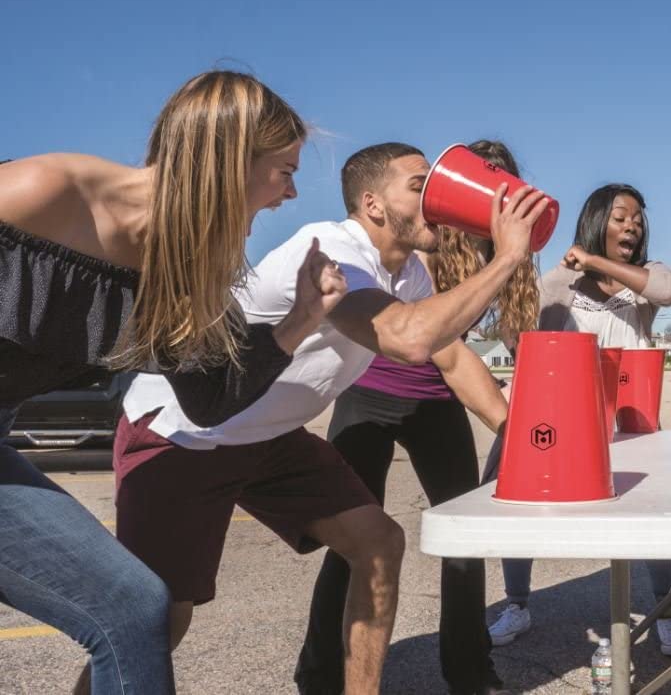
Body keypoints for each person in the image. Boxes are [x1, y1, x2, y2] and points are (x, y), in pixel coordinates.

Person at [112, 142, 548, 694]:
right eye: (420, 186)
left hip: (268, 437)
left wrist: (518, 432)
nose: (435, 198)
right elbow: (405, 337)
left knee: (378, 544)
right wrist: (508, 256)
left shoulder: (409, 273)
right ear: (372, 203)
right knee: (155, 621)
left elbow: (454, 356)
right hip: (185, 433)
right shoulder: (325, 250)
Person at [1, 71, 343, 695]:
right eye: (285, 170)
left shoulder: (182, 272)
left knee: (134, 606)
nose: (291, 193)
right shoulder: (42, 192)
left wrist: (301, 321)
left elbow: (212, 402)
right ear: (230, 158)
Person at [296, 140, 540, 695]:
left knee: (462, 540)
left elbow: (463, 353)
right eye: (485, 177)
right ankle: (320, 672)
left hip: (437, 400)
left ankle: (470, 672)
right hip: (372, 390)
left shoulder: (497, 252)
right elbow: (425, 339)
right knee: (351, 539)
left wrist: (520, 429)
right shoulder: (424, 238)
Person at [490, 183, 671, 657]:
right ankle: (517, 602)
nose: (632, 225)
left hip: (630, 415)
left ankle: (666, 612)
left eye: (638, 218)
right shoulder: (560, 283)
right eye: (621, 217)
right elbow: (526, 338)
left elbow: (669, 290)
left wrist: (595, 261)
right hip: (568, 419)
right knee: (517, 501)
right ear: (597, 220)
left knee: (650, 519)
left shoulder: (647, 276)